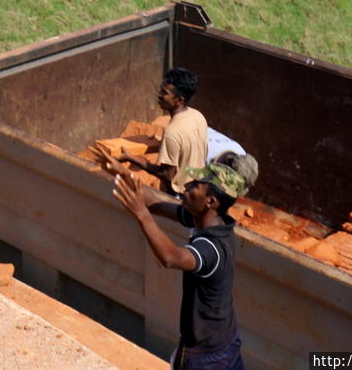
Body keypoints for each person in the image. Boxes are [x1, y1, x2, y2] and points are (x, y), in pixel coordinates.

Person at [111, 157, 257, 369]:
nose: (187, 185)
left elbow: (171, 257)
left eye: (196, 186)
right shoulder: (207, 220)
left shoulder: (212, 248)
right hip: (225, 341)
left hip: (207, 357)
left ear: (211, 202)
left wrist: (141, 215)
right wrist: (121, 173)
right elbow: (154, 204)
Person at [99, 68, 207, 196]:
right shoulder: (198, 116)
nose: (159, 95)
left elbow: (167, 175)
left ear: (180, 100)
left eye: (165, 93)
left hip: (181, 195)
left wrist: (131, 158)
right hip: (198, 189)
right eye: (161, 90)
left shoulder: (172, 132)